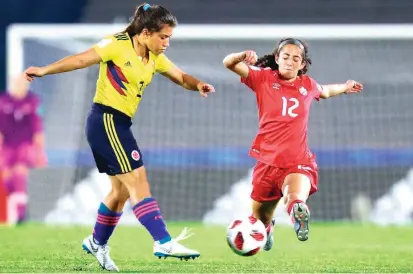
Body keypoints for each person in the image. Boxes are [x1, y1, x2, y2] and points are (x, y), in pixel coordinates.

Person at [24, 3, 214, 271]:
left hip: (119, 124)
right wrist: (45, 70)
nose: (167, 43)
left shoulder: (153, 55)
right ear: (146, 32)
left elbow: (181, 76)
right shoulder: (117, 44)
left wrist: (198, 85)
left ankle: (96, 242)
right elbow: (81, 58)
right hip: (106, 120)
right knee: (138, 181)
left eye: (169, 37)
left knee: (120, 191)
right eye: (163, 37)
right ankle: (163, 240)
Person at [223, 38, 363, 250]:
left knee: (294, 196)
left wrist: (345, 87)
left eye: (296, 58)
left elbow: (325, 91)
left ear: (302, 64)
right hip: (267, 163)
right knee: (261, 218)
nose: (290, 62)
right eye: (286, 57)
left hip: (298, 161)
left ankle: (298, 211)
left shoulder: (308, 85)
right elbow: (228, 63)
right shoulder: (263, 78)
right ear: (277, 58)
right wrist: (241, 56)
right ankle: (267, 228)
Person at [0, 75, 47, 224]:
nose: (20, 86)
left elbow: (38, 131)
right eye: (17, 83)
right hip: (7, 147)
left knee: (19, 175)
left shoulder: (33, 102)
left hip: (24, 146)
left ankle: (21, 216)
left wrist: (40, 153)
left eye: (23, 84)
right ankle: (9, 213)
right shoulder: (3, 101)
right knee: (6, 178)